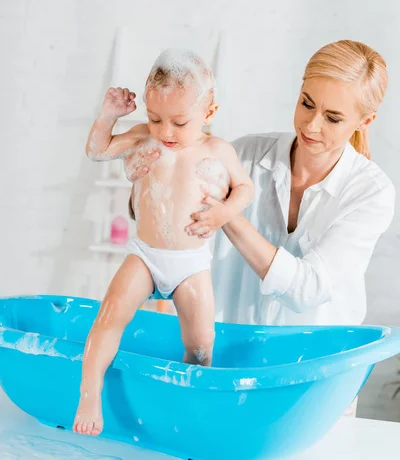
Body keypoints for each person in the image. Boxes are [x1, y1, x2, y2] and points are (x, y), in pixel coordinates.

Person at [128, 40, 395, 417]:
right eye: (306, 103)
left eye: (333, 118)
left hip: (313, 392)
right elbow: (172, 234)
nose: (311, 125)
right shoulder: (244, 156)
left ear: (364, 121)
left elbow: (308, 289)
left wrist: (229, 213)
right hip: (226, 376)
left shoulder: (370, 192)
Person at [73, 49, 253, 436]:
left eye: (179, 122)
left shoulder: (217, 151)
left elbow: (245, 188)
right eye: (155, 118)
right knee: (109, 317)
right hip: (145, 255)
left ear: (209, 111)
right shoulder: (143, 138)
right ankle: (89, 393)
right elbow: (97, 150)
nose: (166, 132)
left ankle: (189, 401)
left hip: (190, 263)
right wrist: (107, 117)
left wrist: (222, 213)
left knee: (202, 341)